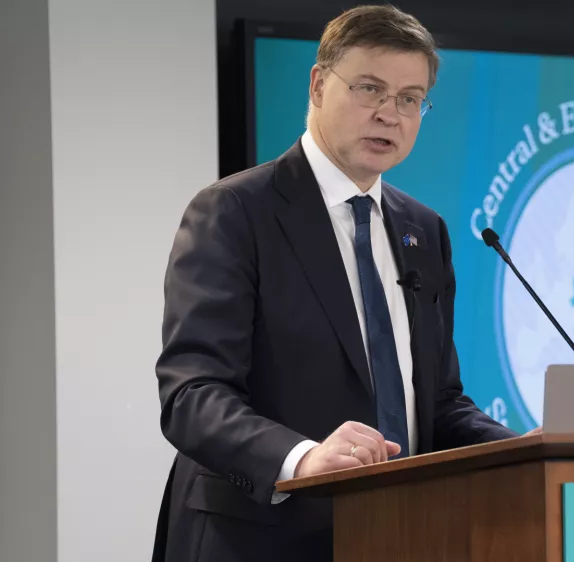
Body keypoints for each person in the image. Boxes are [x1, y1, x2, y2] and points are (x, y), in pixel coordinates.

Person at [151, 5, 529, 561]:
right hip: (257, 538)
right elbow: (192, 394)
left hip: (396, 533)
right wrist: (302, 458)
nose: (390, 114)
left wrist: (527, 452)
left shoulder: (423, 230)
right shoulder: (235, 212)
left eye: (409, 98)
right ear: (319, 84)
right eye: (370, 88)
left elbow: (439, 403)